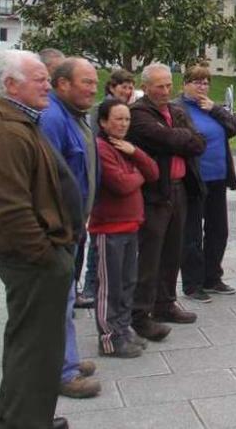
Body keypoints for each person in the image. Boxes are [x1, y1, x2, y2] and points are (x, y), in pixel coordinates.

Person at [0, 50, 78, 429]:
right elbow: (10, 208)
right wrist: (47, 256)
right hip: (33, 261)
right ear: (10, 85)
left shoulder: (22, 122)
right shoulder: (8, 131)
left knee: (35, 346)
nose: (48, 83)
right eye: (39, 78)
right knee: (35, 348)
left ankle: (25, 416)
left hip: (40, 258)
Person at [128, 63, 205, 340]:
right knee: (150, 254)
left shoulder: (176, 111)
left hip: (179, 189)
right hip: (153, 193)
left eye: (168, 85)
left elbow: (198, 143)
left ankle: (165, 303)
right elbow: (164, 138)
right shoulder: (138, 114)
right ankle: (140, 313)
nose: (165, 91)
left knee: (173, 250)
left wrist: (180, 138)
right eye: (159, 86)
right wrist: (181, 138)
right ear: (145, 86)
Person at [39, 57, 102, 399]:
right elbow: (47, 180)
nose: (94, 88)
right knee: (57, 302)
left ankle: (69, 359)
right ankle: (61, 372)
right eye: (86, 82)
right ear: (62, 84)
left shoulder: (75, 116)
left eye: (94, 82)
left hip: (74, 226)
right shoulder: (52, 118)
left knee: (65, 298)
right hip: (58, 229)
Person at [90, 98, 158, 358]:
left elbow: (152, 171)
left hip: (131, 224)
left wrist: (134, 153)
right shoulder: (101, 147)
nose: (123, 124)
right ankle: (109, 338)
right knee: (111, 285)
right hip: (109, 227)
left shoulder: (125, 147)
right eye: (117, 119)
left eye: (127, 119)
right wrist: (137, 175)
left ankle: (123, 328)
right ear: (104, 122)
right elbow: (120, 184)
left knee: (128, 281)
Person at [77, 67, 138, 309]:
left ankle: (96, 287)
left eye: (130, 86)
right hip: (107, 182)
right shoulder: (103, 111)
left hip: (114, 179)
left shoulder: (125, 109)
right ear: (112, 87)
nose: (128, 90)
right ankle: (92, 286)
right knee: (99, 239)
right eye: (123, 86)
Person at [177, 65, 236, 303]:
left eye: (205, 82)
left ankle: (212, 277)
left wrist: (215, 109)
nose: (202, 87)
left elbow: (234, 127)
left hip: (217, 178)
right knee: (191, 234)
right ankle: (192, 284)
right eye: (197, 82)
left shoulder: (212, 108)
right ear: (185, 84)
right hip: (193, 179)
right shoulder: (178, 108)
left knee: (218, 231)